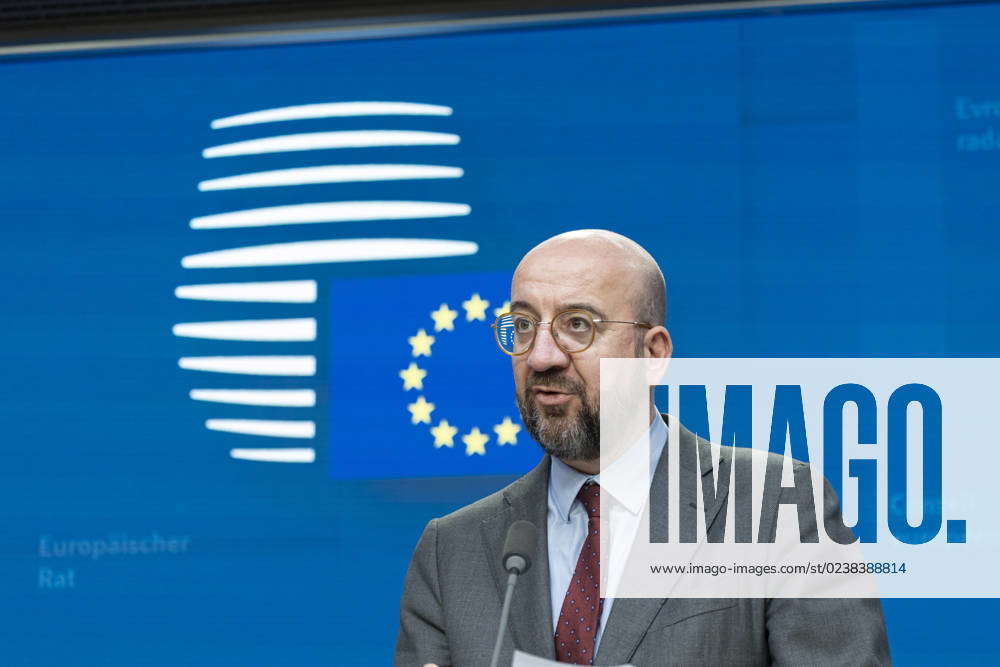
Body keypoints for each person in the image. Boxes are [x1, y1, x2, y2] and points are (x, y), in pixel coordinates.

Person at [395, 229, 890, 666]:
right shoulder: (451, 548)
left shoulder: (775, 505)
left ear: (652, 355)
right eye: (524, 326)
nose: (542, 357)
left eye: (578, 325)